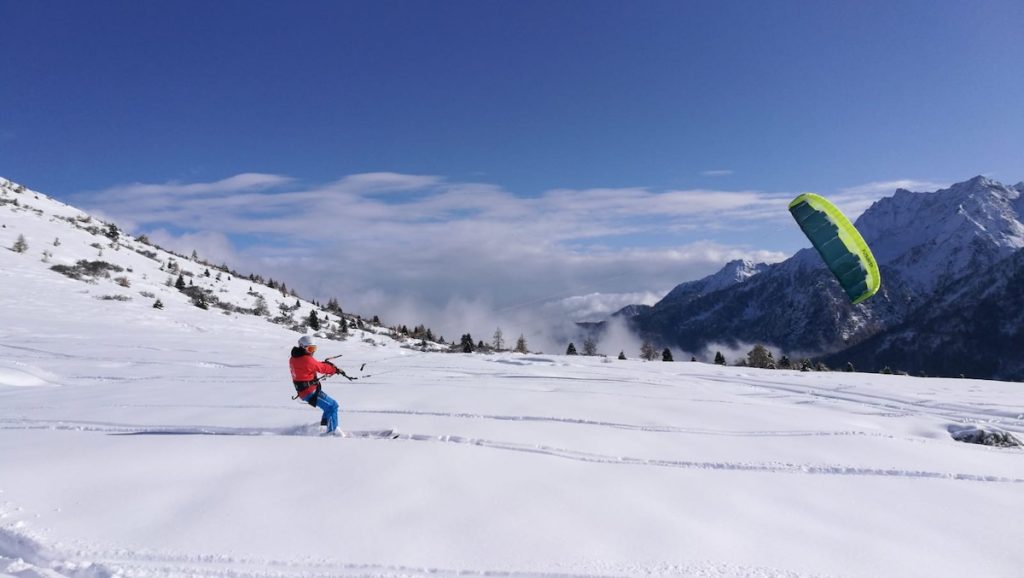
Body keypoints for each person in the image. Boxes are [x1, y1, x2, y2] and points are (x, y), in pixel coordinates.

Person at [289, 335, 343, 434]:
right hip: (310, 392)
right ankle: (332, 432)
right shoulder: (307, 360)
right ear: (302, 347)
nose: (312, 351)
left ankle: (323, 426)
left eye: (314, 348)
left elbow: (313, 365)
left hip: (305, 391)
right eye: (310, 349)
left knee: (329, 407)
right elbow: (321, 367)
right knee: (332, 406)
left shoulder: (294, 358)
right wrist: (334, 369)